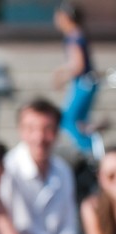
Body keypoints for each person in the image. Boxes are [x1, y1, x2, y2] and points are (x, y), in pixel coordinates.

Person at [0, 98, 80, 234]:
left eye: (47, 129)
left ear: (57, 132)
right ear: (20, 130)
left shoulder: (63, 171)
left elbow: (68, 232)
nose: (39, 137)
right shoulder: (6, 170)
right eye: (31, 128)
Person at [53, 2, 98, 155]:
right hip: (87, 83)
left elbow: (78, 65)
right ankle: (90, 149)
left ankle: (87, 151)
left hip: (83, 84)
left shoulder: (74, 36)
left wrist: (61, 76)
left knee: (70, 120)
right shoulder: (78, 34)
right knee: (80, 120)